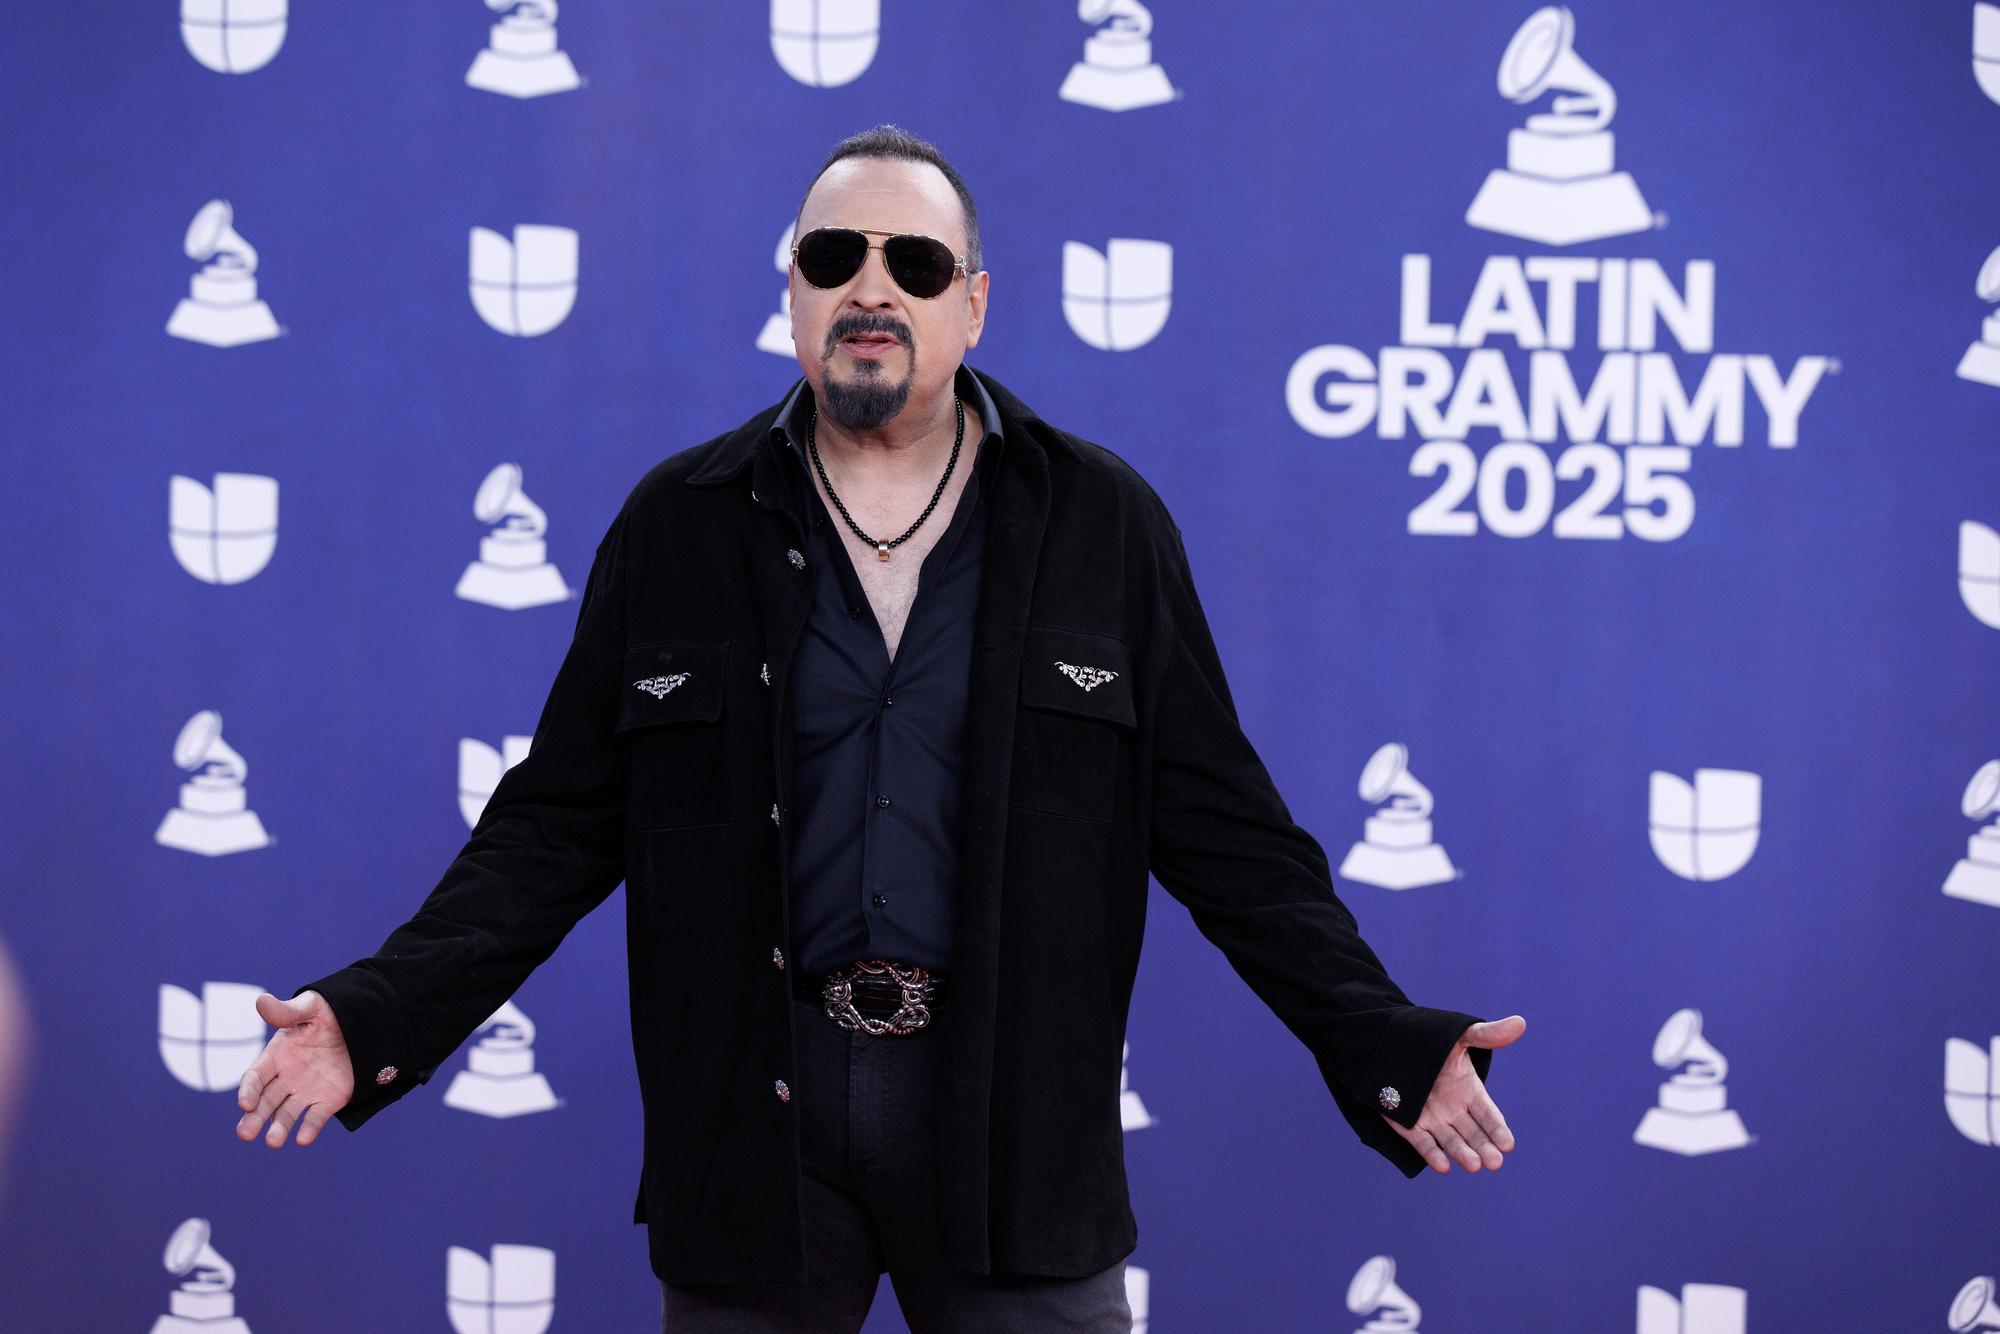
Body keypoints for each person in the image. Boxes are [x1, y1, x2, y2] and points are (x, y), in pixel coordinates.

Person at [233, 123, 1525, 1333]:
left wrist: (1381, 1036)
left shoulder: (1102, 524)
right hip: (757, 1131)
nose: (870, 287)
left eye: (914, 263)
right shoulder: (679, 526)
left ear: (974, 302)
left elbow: (1231, 837)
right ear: (792, 292)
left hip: (1015, 1130)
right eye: (832, 257)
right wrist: (375, 1016)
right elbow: (550, 829)